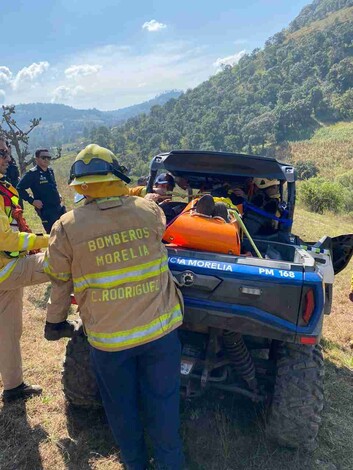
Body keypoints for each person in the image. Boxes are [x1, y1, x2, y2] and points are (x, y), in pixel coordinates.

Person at [43, 144, 184, 470]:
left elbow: (60, 283)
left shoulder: (66, 227)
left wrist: (54, 323)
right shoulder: (148, 212)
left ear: (80, 187)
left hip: (110, 343)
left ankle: (135, 464)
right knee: (164, 407)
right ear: (118, 177)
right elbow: (157, 223)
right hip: (160, 335)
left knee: (122, 410)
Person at [0, 137, 49, 402]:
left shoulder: (3, 187)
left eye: (7, 152)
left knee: (9, 330)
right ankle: (58, 322)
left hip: (6, 270)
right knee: (62, 261)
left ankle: (13, 387)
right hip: (5, 270)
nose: (8, 158)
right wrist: (46, 240)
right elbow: (5, 239)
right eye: (2, 153)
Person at [17, 148, 65, 233]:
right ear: (37, 159)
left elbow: (53, 186)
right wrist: (32, 201)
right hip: (46, 210)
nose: (46, 160)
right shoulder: (32, 173)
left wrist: (58, 194)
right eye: (43, 157)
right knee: (54, 234)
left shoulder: (50, 171)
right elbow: (19, 188)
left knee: (65, 230)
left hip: (58, 207)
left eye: (48, 157)